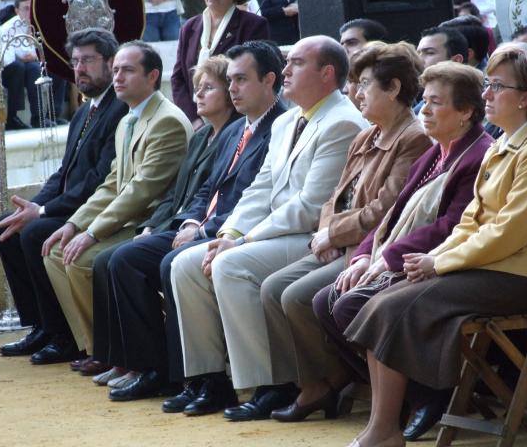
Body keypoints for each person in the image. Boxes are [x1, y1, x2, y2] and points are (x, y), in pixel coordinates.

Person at [341, 45, 527, 447]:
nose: (487, 95)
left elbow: (507, 233)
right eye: (488, 84)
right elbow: (470, 223)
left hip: (516, 276)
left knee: (392, 308)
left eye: (497, 86)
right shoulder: (504, 145)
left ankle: (383, 430)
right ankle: (383, 428)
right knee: (379, 302)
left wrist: (439, 263)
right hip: (486, 267)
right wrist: (437, 258)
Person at [168, 35, 368, 421]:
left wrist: (242, 240)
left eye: (296, 63)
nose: (287, 70)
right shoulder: (289, 119)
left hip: (309, 238)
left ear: (327, 74)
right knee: (186, 264)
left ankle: (271, 384)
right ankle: (212, 379)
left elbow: (309, 207)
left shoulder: (342, 121)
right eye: (287, 62)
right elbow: (260, 189)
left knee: (231, 265)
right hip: (275, 233)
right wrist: (228, 234)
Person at [88, 41, 286, 399]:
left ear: (269, 80)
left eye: (240, 80)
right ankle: (154, 367)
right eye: (231, 80)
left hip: (236, 231)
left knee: (170, 263)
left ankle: (202, 377)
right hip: (200, 227)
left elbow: (256, 199)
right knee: (124, 259)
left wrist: (206, 230)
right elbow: (205, 190)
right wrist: (189, 223)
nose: (233, 88)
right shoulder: (234, 129)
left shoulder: (279, 127)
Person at [310, 61, 492, 440]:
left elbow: (450, 227)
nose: (424, 109)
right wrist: (363, 256)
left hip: (443, 263)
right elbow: (390, 215)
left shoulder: (477, 156)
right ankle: (411, 397)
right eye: (424, 100)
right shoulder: (435, 151)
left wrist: (386, 260)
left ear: (466, 112)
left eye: (436, 103)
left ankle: (426, 397)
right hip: (403, 258)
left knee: (350, 305)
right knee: (325, 301)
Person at [258, 42, 432, 421]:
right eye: (355, 83)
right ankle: (317, 384)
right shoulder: (365, 135)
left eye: (365, 83)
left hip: (370, 250)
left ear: (394, 89)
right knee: (273, 289)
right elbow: (333, 198)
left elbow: (385, 209)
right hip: (341, 245)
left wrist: (333, 237)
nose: (355, 92)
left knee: (298, 297)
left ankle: (340, 380)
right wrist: (325, 235)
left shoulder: (413, 138)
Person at [36, 41, 193, 367]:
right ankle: (96, 347)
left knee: (80, 258)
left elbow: (141, 191)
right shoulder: (128, 120)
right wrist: (74, 224)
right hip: (127, 217)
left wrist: (91, 234)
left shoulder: (167, 121)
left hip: (150, 223)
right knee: (54, 250)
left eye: (128, 70)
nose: (118, 77)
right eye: (116, 69)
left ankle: (112, 352)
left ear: (152, 76)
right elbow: (112, 185)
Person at [0, 28, 128, 360]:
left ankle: (64, 335)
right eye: (75, 61)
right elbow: (64, 174)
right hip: (67, 205)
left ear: (111, 63)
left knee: (35, 233)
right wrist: (35, 204)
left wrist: (40, 214)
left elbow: (99, 180)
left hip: (95, 209)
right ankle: (40, 326)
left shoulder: (120, 109)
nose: (79, 68)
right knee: (6, 228)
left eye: (88, 60)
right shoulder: (84, 110)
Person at [171, 0, 270, 126]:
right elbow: (178, 78)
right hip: (194, 124)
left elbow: (253, 79)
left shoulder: (253, 25)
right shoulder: (189, 28)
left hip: (235, 122)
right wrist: (194, 121)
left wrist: (228, 124)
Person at [0, 0, 41, 130]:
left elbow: (38, 52)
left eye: (31, 8)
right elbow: (7, 58)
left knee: (36, 68)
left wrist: (30, 30)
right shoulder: (8, 28)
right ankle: (12, 117)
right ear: (17, 10)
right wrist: (24, 57)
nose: (29, 12)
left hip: (27, 65)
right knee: (19, 67)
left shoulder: (36, 23)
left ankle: (39, 117)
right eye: (26, 9)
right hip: (8, 68)